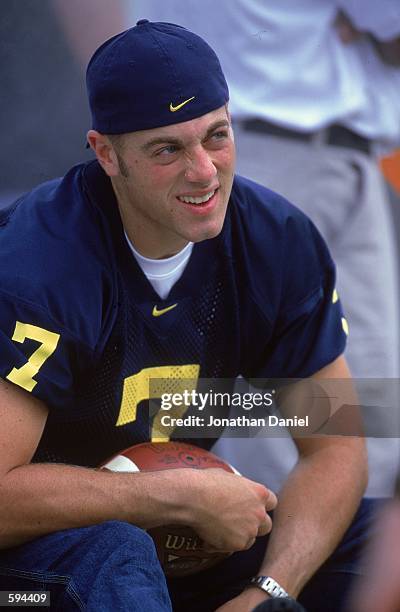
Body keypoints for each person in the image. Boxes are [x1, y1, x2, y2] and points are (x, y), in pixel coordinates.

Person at [0, 20, 372, 612]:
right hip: (25, 576)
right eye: (167, 148)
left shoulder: (278, 240)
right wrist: (167, 496)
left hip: (179, 538)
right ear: (106, 153)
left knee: (379, 540)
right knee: (117, 552)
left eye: (216, 136)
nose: (203, 170)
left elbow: (337, 448)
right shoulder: (38, 267)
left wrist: (268, 593)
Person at [131, 0, 400, 498]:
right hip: (264, 150)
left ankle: (351, 566)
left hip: (325, 154)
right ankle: (280, 568)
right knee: (280, 419)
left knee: (363, 407)